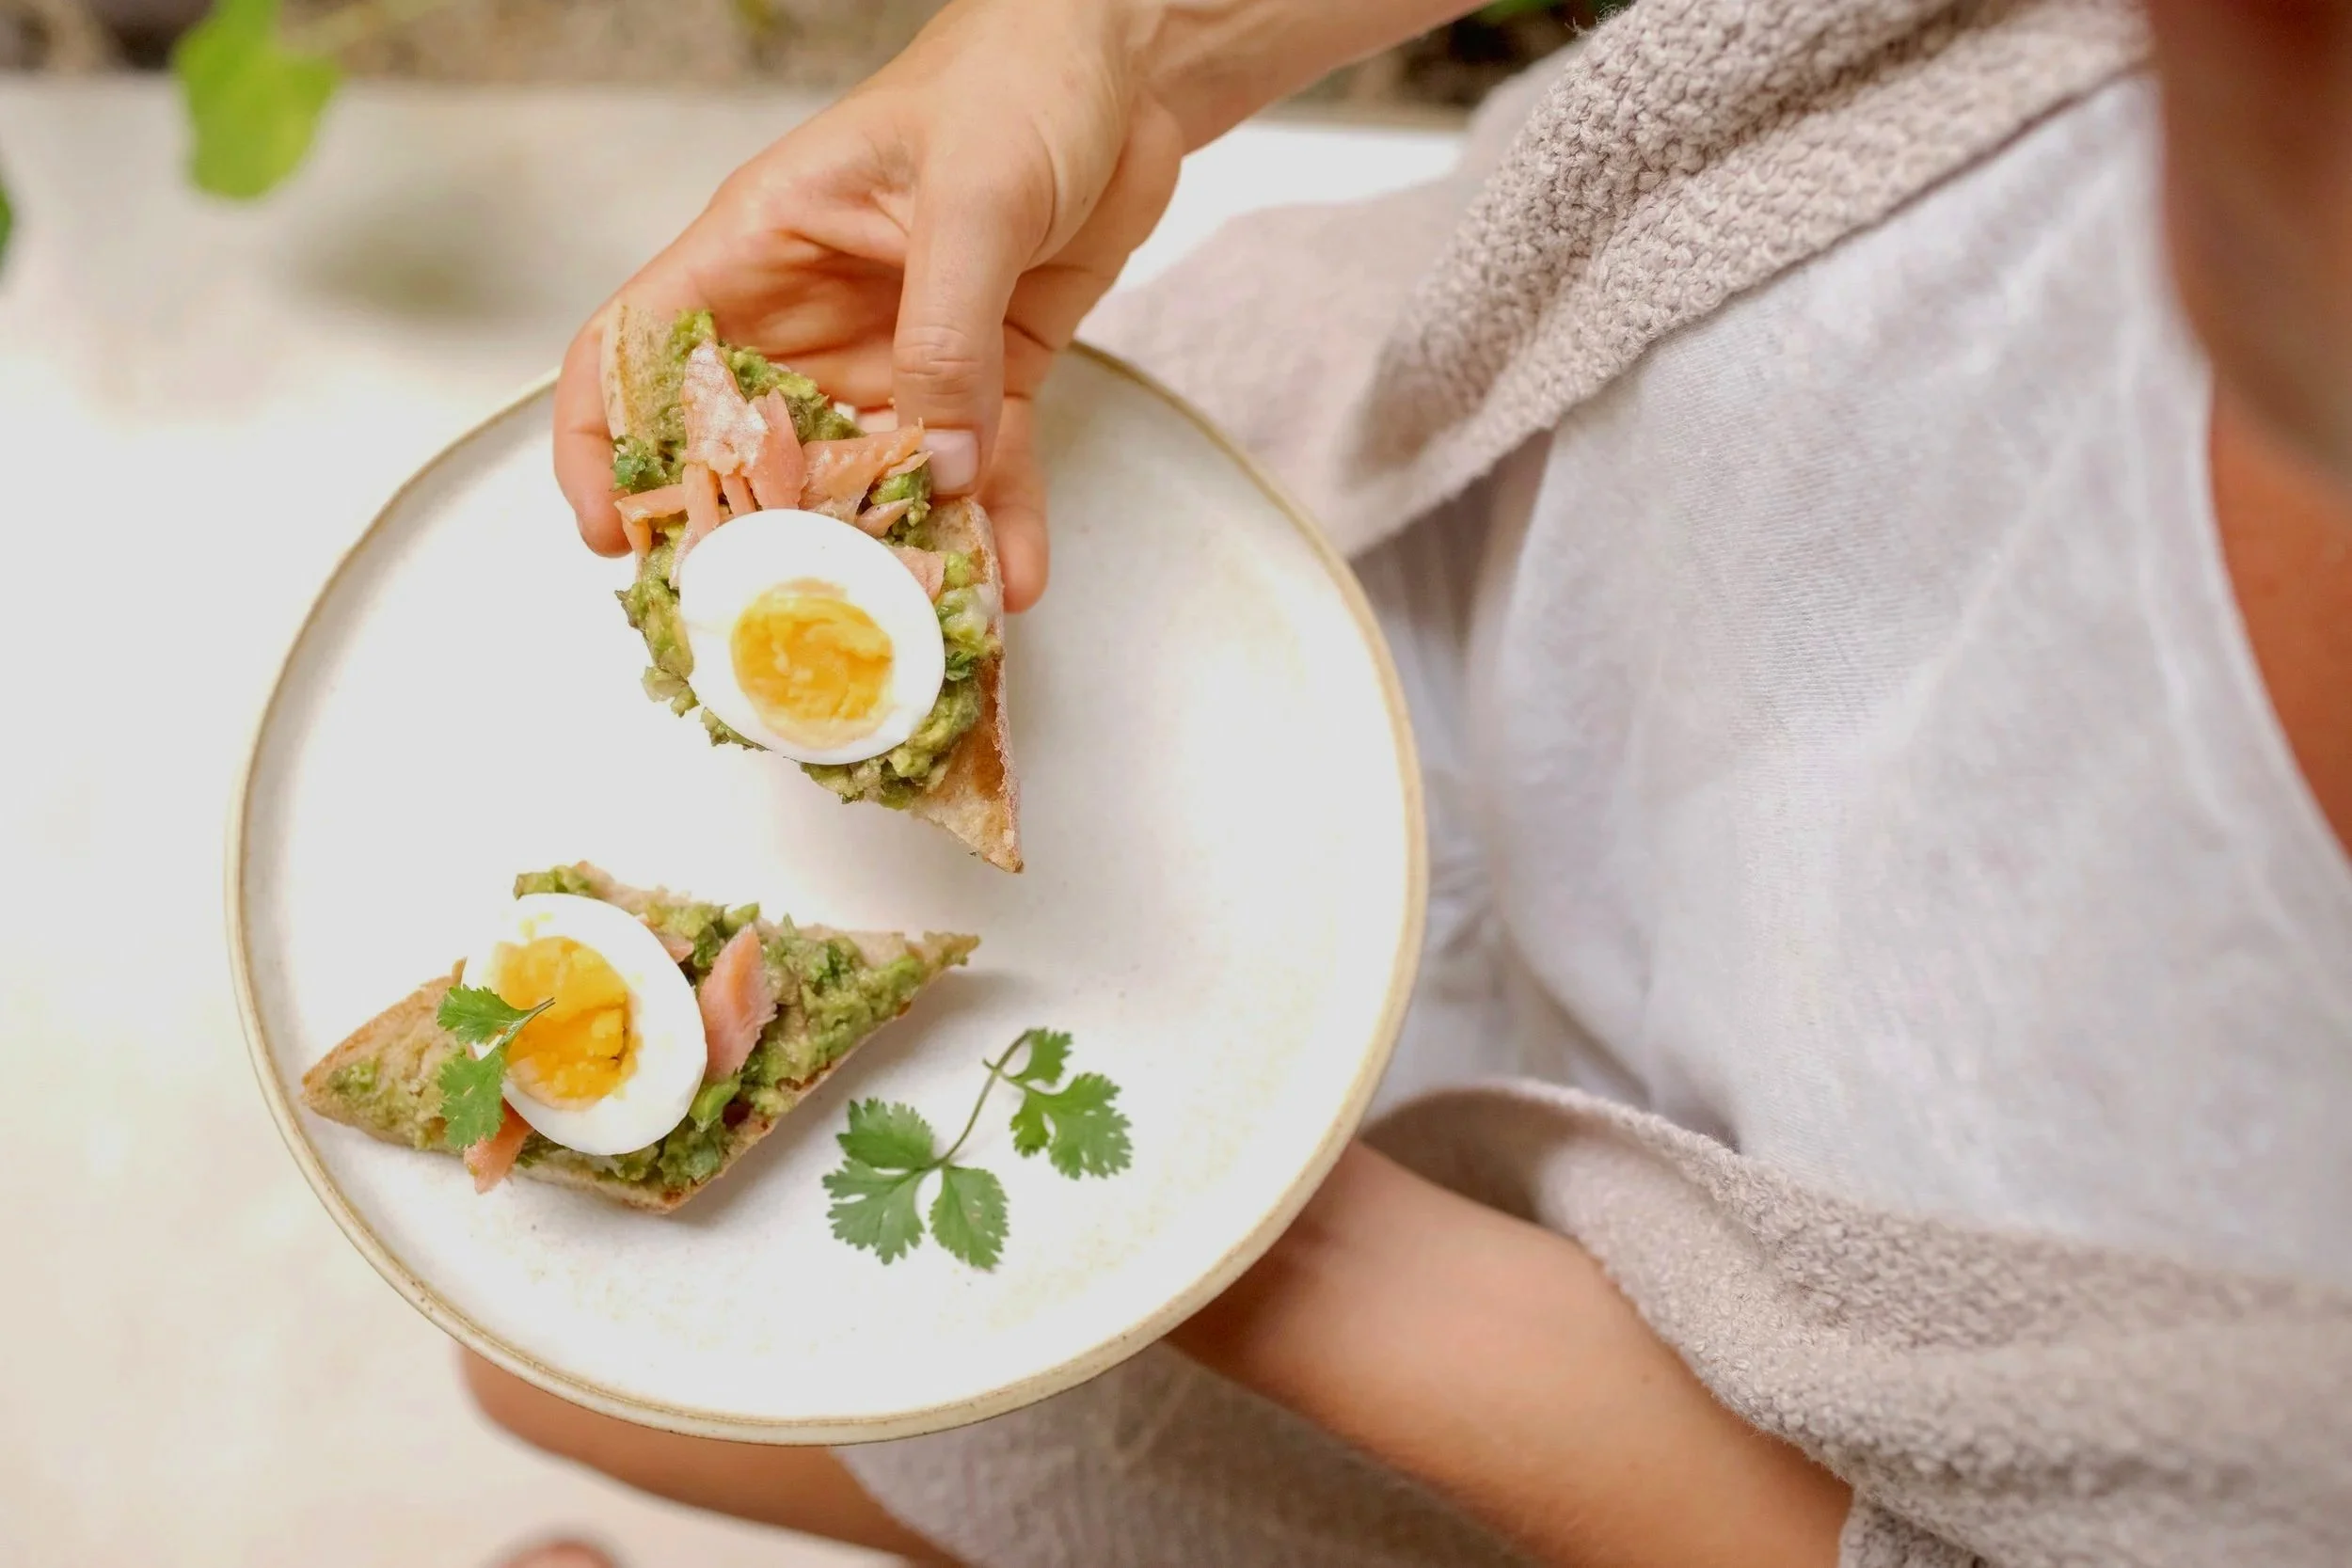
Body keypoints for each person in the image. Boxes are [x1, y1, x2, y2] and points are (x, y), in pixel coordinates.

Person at [478, 0, 2352, 1563]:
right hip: (1322, 460)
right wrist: (1108, 43)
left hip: (1487, 1326)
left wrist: (1211, 1235)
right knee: (514, 1328)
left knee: (535, 1357)